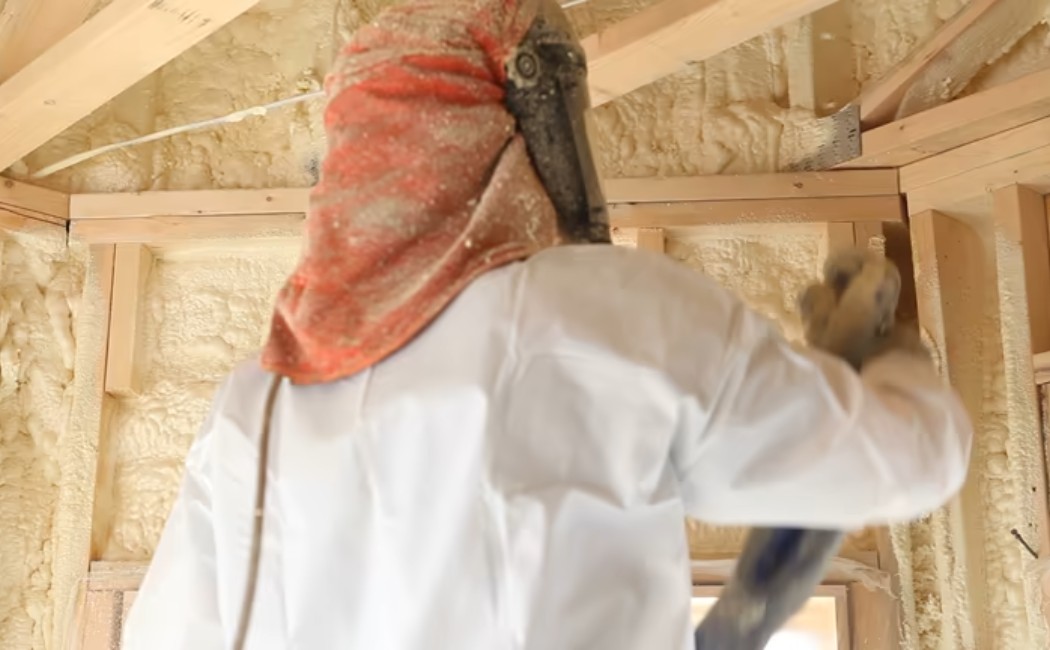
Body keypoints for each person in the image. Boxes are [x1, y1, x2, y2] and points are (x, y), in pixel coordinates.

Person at [122, 1, 972, 648]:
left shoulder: (251, 406)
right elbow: (912, 459)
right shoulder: (596, 312)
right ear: (508, 128)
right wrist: (882, 356)